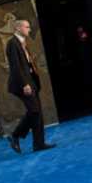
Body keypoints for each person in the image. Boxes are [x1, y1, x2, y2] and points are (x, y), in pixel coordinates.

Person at [5, 17, 54, 154]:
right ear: (18, 28)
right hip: (22, 84)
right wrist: (24, 84)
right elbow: (16, 66)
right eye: (26, 27)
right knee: (34, 111)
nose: (29, 29)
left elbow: (27, 63)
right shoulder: (12, 43)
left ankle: (38, 144)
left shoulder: (22, 42)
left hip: (31, 81)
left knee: (37, 112)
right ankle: (15, 135)